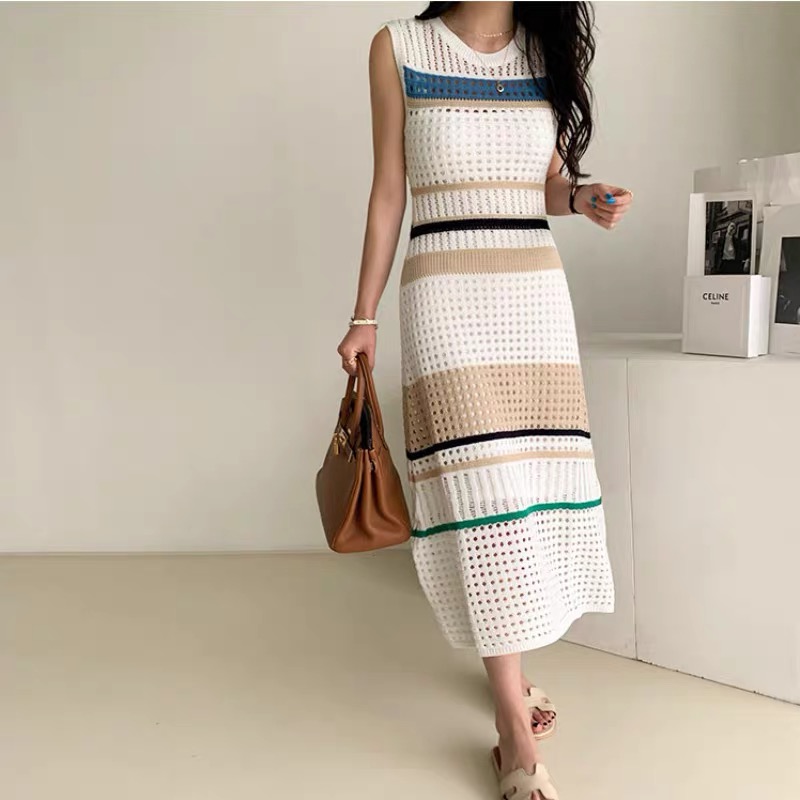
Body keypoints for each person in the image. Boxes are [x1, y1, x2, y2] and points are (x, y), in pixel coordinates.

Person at [336, 3, 632, 797]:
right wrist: (364, 316)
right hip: (444, 298)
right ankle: (511, 725)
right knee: (485, 494)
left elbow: (546, 186)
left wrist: (583, 197)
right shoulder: (399, 47)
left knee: (526, 489)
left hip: (533, 299)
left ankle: (508, 671)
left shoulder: (543, 52)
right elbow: (389, 192)